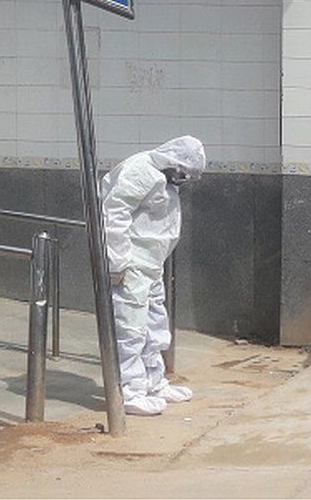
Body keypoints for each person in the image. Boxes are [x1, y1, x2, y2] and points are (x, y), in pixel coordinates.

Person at [101, 136, 207, 416]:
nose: (184, 179)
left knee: (154, 327)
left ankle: (154, 383)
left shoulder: (164, 179)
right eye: (184, 172)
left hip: (151, 263)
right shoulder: (140, 171)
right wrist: (117, 260)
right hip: (132, 264)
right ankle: (131, 391)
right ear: (174, 161)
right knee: (131, 329)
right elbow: (114, 212)